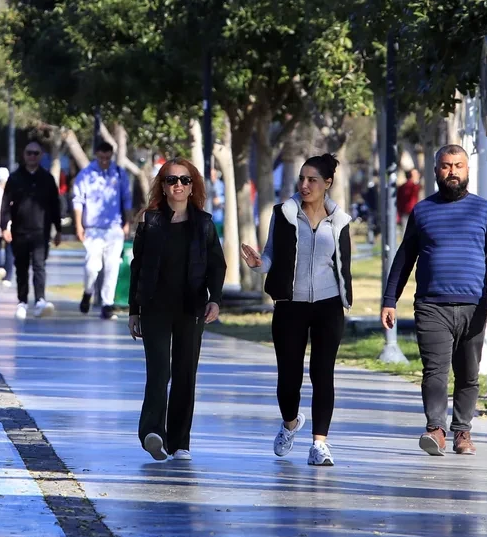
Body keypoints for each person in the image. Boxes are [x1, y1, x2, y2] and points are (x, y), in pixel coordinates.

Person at [382, 144, 487, 457]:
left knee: (468, 373)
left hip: (473, 305)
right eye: (446, 166)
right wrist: (390, 299)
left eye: (458, 166)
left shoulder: (483, 209)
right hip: (431, 304)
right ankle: (435, 429)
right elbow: (405, 258)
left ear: (467, 170)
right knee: (435, 371)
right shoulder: (422, 210)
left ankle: (462, 432)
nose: (452, 171)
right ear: (436, 171)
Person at [242, 154, 353, 467]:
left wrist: (346, 298)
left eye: (312, 180)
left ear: (327, 183)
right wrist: (259, 265)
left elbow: (342, 263)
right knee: (289, 377)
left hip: (329, 306)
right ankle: (290, 423)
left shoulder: (340, 221)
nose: (304, 185)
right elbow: (270, 255)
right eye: (302, 179)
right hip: (290, 305)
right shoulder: (285, 213)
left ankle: (320, 444)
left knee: (323, 374)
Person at [128, 157, 225, 462]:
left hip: (191, 308)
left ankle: (180, 441)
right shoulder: (150, 221)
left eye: (184, 180)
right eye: (172, 180)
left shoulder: (204, 224)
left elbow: (217, 265)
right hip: (155, 307)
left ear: (193, 185)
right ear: (163, 186)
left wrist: (215, 298)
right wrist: (134, 310)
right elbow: (138, 266)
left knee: (185, 374)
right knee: (159, 372)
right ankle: (152, 433)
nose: (178, 185)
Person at [1, 141, 62, 320]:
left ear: (41, 155)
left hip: (41, 231)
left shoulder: (47, 178)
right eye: (29, 153)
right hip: (20, 231)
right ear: (24, 155)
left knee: (39, 266)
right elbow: (5, 204)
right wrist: (5, 226)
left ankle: (40, 300)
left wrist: (58, 229)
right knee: (21, 267)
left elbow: (54, 205)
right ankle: (22, 301)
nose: (32, 156)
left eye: (36, 153)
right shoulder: (15, 178)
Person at [72, 140, 132, 320]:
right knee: (92, 266)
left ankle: (107, 303)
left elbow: (126, 199)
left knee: (112, 266)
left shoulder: (119, 174)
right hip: (93, 228)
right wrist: (78, 225)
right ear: (96, 155)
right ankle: (88, 291)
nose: (105, 161)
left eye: (108, 158)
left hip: (114, 227)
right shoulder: (86, 175)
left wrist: (127, 222)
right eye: (101, 157)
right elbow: (78, 201)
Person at [397, 168, 422, 232]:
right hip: (412, 211)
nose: (418, 175)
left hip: (404, 212)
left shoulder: (402, 187)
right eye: (416, 174)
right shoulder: (414, 186)